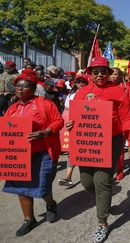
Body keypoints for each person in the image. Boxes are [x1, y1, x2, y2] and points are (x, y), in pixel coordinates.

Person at [67, 56, 130, 243]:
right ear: (90, 73)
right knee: (87, 181)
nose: (100, 75)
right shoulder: (82, 92)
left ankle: (102, 223)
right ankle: (104, 197)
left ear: (109, 73)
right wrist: (70, 124)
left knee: (102, 180)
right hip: (87, 141)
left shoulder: (118, 91)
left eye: (103, 71)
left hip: (111, 140)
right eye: (96, 71)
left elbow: (126, 119)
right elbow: (75, 116)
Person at [3, 70, 64, 236]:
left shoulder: (44, 104)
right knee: (21, 188)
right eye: (18, 86)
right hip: (19, 155)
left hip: (43, 152)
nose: (20, 89)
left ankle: (50, 203)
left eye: (25, 86)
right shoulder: (12, 108)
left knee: (43, 187)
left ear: (33, 88)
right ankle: (29, 219)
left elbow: (59, 120)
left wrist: (46, 132)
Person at [58, 74, 90, 186]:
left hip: (89, 127)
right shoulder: (71, 95)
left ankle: (90, 178)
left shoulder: (91, 95)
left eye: (83, 82)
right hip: (74, 126)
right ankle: (68, 177)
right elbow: (67, 110)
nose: (81, 84)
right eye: (78, 81)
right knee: (73, 151)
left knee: (88, 153)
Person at [109, 67, 130, 181]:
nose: (113, 76)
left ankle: (120, 169)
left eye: (116, 74)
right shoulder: (106, 88)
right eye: (112, 74)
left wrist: (124, 107)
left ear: (120, 76)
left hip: (121, 121)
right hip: (107, 122)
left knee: (119, 147)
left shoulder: (126, 88)